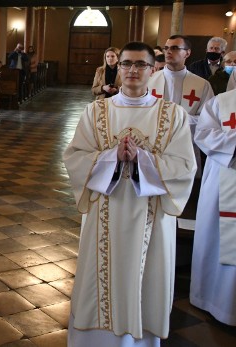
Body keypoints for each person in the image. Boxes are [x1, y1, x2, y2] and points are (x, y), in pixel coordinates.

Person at [64, 41, 197, 346]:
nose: (132, 70)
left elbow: (184, 167)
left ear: (154, 70)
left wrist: (142, 160)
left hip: (151, 214)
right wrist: (111, 157)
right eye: (126, 64)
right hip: (103, 210)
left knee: (145, 279)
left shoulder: (172, 115)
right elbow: (74, 156)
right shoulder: (95, 111)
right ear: (118, 67)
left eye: (140, 65)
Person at [190, 83, 236, 327]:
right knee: (218, 240)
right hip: (223, 182)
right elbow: (203, 134)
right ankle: (214, 301)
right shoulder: (222, 102)